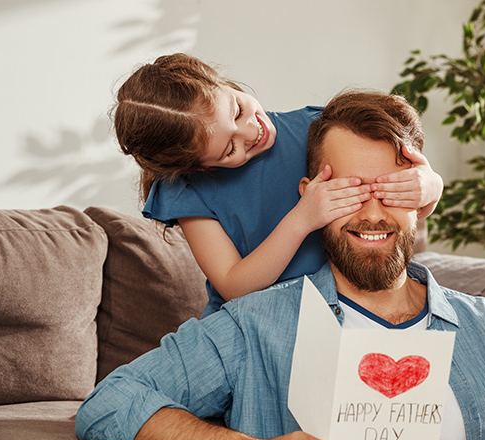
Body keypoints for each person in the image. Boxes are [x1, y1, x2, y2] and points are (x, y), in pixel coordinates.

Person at [77, 90, 485, 440]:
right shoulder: (256, 324)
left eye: (390, 191)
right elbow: (110, 403)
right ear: (311, 195)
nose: (371, 213)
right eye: (348, 192)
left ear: (421, 199)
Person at [114, 53, 443, 316]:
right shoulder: (187, 188)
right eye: (229, 149)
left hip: (343, 311)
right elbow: (233, 285)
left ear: (223, 83)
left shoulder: (320, 128)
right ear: (198, 166)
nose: (250, 132)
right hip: (252, 323)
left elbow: (389, 209)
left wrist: (430, 187)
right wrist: (302, 219)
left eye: (238, 109)